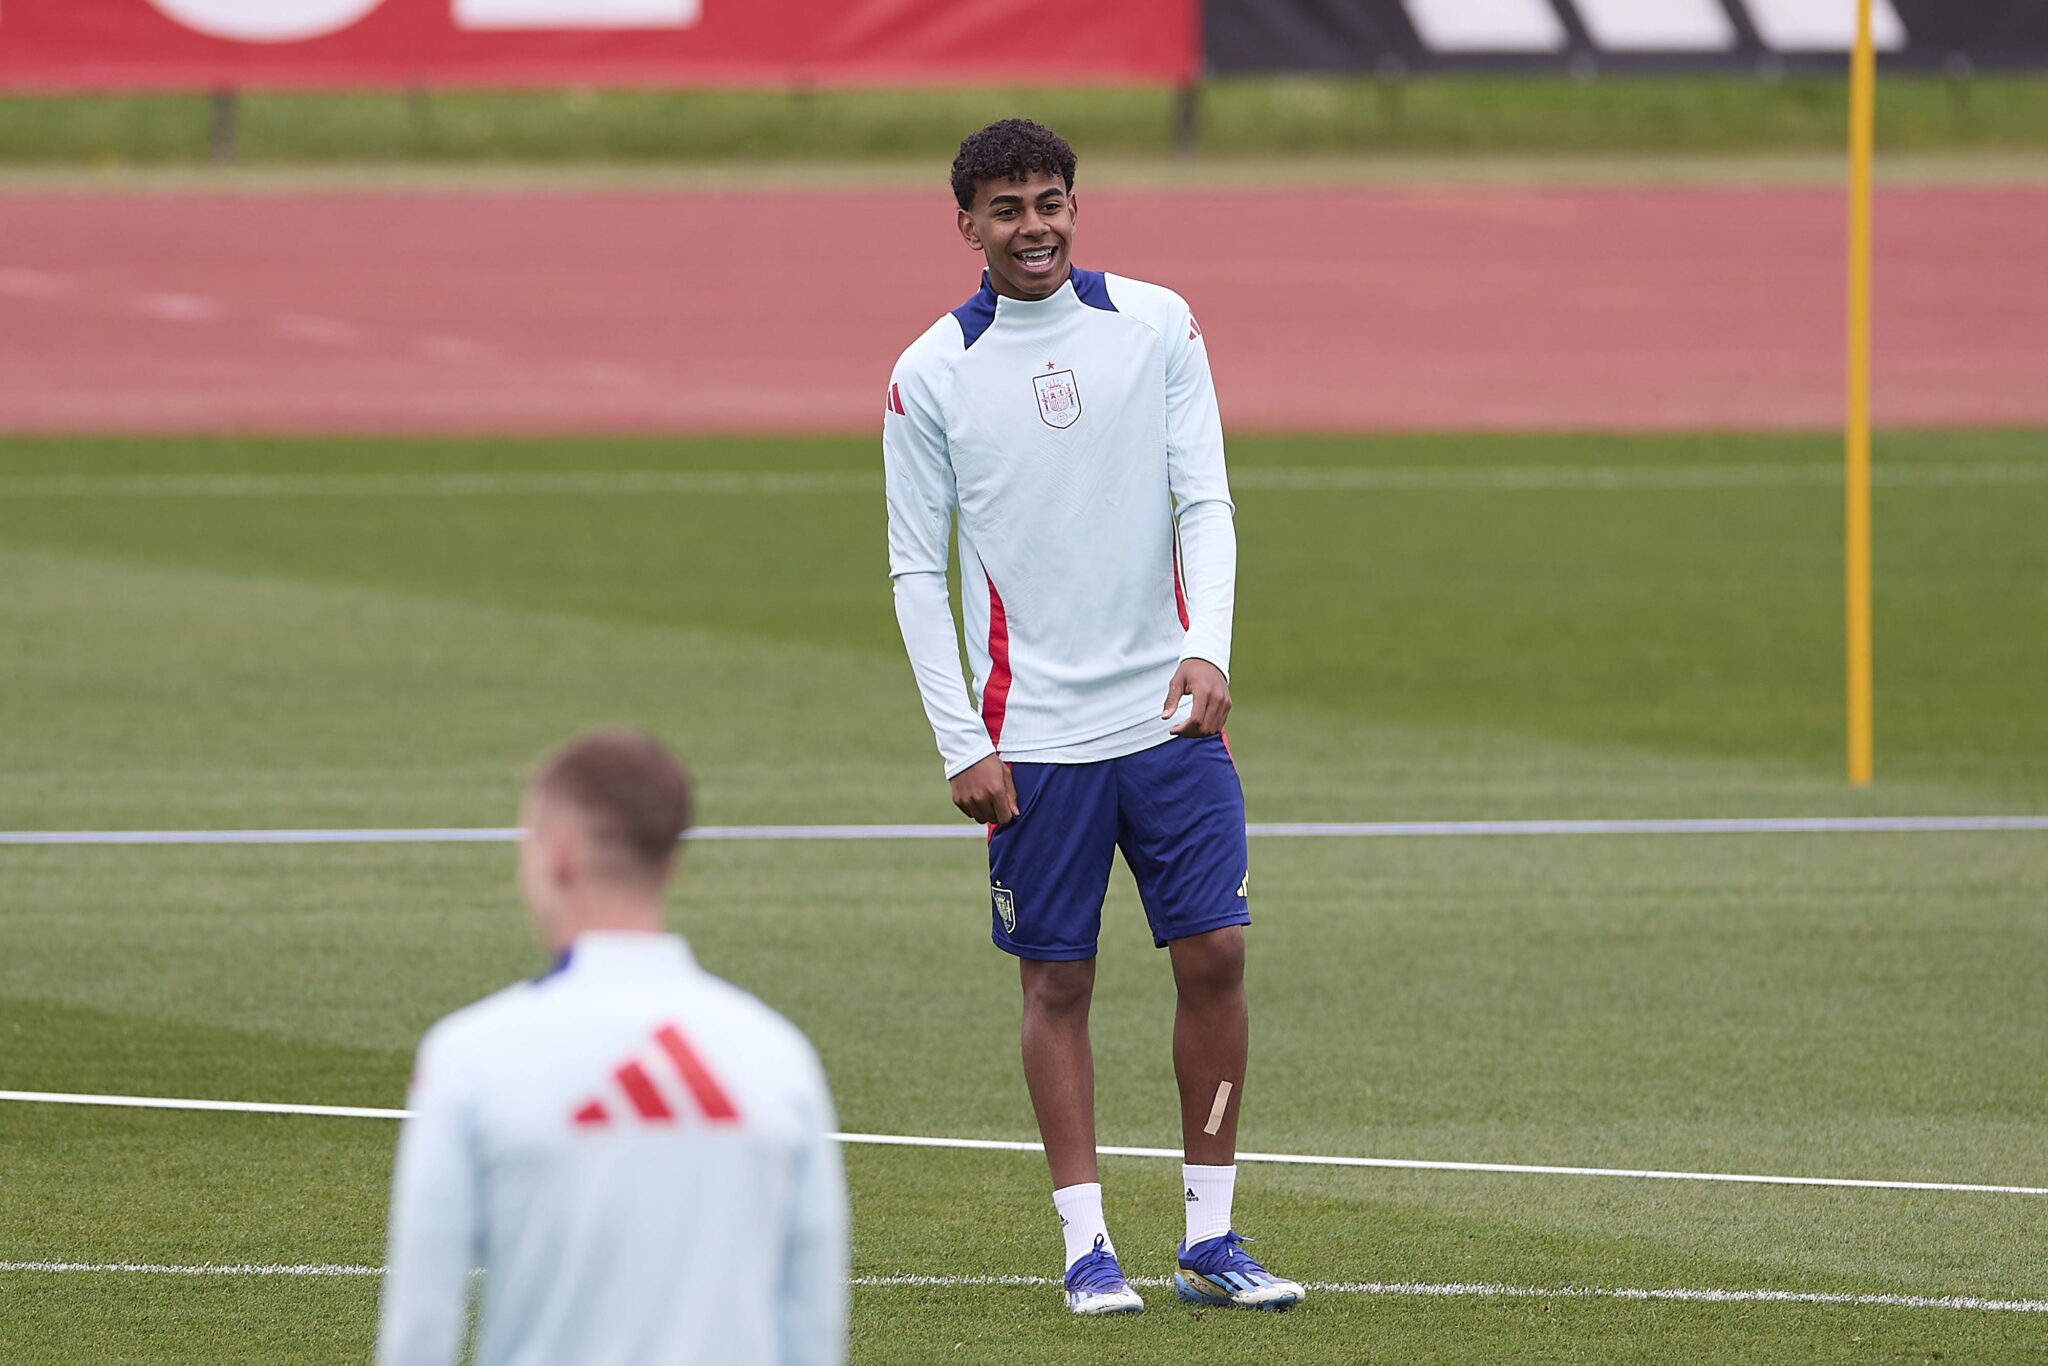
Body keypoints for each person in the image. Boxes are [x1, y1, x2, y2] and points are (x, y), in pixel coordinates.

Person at [882, 118, 1303, 1316]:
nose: (1034, 226)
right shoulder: (928, 376)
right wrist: (960, 735)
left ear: (1077, 206)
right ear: (965, 223)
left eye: (1050, 201)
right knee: (1056, 984)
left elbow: (1205, 497)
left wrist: (1207, 649)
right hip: (1033, 739)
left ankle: (1210, 1239)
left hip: (1166, 719)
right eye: (1007, 208)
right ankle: (1085, 1246)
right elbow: (917, 570)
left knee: (1215, 953)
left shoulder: (1157, 324)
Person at [374, 729, 848, 1366]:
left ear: (559, 853)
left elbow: (420, 1332)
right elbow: (813, 1326)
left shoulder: (472, 1058)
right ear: (669, 862)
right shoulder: (776, 1056)